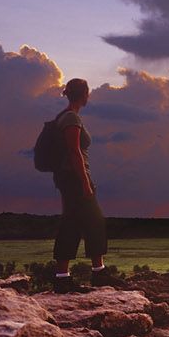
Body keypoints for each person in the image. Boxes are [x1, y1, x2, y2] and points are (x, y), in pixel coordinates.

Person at [50, 78, 116, 292]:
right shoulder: (71, 118)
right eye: (87, 93)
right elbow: (74, 152)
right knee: (93, 221)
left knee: (75, 223)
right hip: (75, 179)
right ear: (83, 94)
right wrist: (85, 183)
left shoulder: (69, 116)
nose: (89, 96)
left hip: (70, 178)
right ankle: (96, 274)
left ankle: (64, 277)